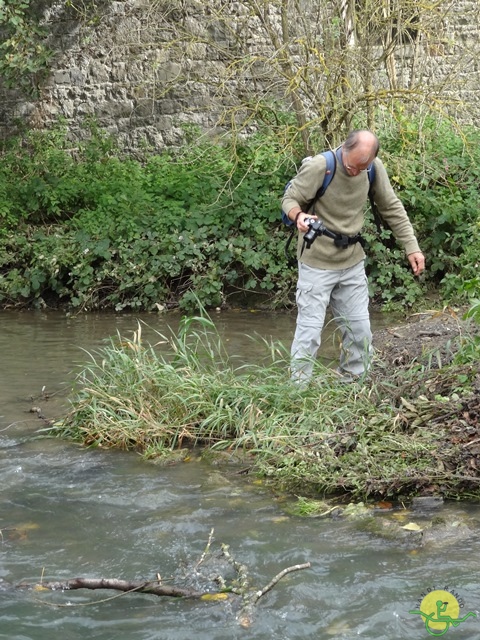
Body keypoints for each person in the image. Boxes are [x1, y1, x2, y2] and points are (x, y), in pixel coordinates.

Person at [282, 129, 425, 384]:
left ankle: (353, 384)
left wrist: (412, 247)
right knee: (310, 332)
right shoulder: (321, 166)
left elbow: (391, 207)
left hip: (351, 262)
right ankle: (297, 390)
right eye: (351, 166)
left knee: (359, 330)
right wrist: (299, 216)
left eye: (362, 168)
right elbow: (290, 199)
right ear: (344, 148)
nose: (355, 172)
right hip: (316, 263)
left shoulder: (373, 169)